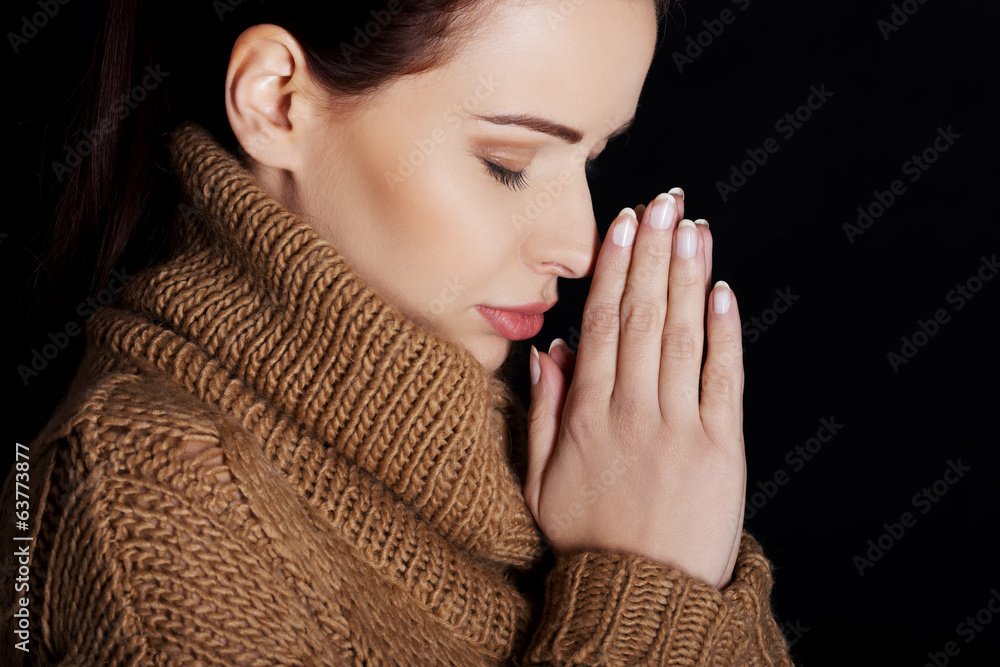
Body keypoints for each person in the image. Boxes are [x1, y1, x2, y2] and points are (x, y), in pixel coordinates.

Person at [2, 0, 794, 664]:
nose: (577, 247)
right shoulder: (143, 506)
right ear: (276, 102)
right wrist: (650, 592)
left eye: (589, 158)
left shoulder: (584, 476)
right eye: (509, 161)